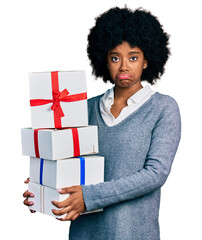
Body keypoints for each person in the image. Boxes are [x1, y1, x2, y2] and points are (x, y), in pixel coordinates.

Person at [23, 7, 181, 240]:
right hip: (85, 233)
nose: (124, 66)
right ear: (104, 61)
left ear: (147, 61)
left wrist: (89, 196)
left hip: (133, 234)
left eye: (133, 57)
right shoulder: (84, 108)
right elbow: (65, 161)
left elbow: (155, 174)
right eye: (115, 57)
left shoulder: (163, 109)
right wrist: (42, 187)